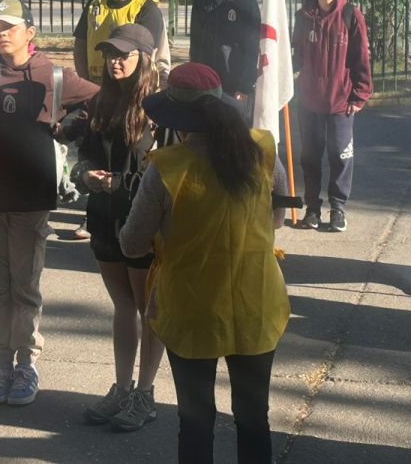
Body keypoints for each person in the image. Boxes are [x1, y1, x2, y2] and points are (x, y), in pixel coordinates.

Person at [120, 63, 290, 464]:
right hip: (256, 303)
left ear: (179, 121)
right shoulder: (263, 151)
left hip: (191, 308)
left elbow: (131, 243)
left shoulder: (166, 168)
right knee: (253, 418)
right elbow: (277, 218)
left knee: (195, 421)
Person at [0, 0, 99, 407]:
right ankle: (2, 364)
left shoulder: (54, 75)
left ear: (30, 32)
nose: (2, 34)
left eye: (9, 26)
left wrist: (67, 130)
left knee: (25, 287)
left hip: (30, 199)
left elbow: (98, 103)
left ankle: (27, 363)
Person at [72, 24, 165, 432]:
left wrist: (121, 184)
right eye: (110, 54)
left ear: (143, 58)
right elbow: (85, 155)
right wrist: (85, 174)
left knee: (149, 310)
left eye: (124, 55)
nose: (114, 61)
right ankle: (123, 388)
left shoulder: (160, 108)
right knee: (123, 306)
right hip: (104, 216)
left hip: (140, 220)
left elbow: (163, 171)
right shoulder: (100, 100)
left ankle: (145, 394)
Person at [72, 0, 169, 238]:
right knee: (97, 149)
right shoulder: (96, 3)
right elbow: (80, 41)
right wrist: (84, 81)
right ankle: (94, 209)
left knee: (131, 152)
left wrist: (145, 92)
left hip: (134, 93)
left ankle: (137, 212)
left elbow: (146, 53)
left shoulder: (146, 7)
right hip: (100, 89)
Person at [291, 0, 372, 234]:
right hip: (309, 101)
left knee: (340, 155)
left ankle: (338, 208)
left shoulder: (351, 14)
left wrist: (360, 94)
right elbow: (296, 55)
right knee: (309, 156)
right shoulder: (303, 15)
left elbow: (361, 57)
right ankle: (312, 208)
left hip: (340, 101)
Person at [188, 0, 260, 112]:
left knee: (234, 135)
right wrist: (195, 79)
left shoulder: (246, 2)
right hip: (205, 84)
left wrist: (244, 87)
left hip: (234, 87)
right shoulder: (201, 1)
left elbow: (252, 48)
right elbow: (196, 44)